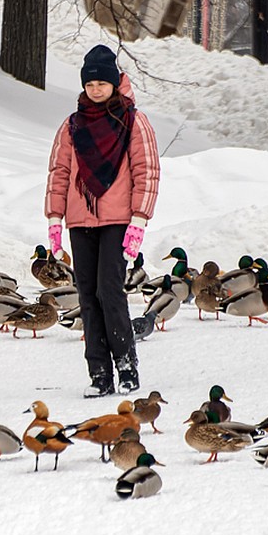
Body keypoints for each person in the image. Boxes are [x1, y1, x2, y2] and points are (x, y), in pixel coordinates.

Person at [45, 45, 160, 397]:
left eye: (101, 83)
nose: (95, 89)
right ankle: (99, 373)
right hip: (80, 221)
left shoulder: (133, 121)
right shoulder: (73, 125)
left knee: (110, 291)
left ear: (114, 83)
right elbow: (59, 172)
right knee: (87, 296)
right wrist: (54, 217)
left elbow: (147, 171)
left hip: (118, 220)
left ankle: (126, 367)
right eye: (90, 84)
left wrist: (139, 221)